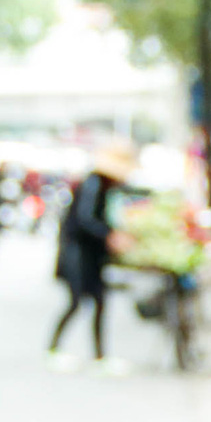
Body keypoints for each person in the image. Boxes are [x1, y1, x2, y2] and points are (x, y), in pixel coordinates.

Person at [48, 142, 136, 371]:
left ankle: (98, 355)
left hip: (92, 255)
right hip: (78, 253)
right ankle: (54, 349)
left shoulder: (104, 188)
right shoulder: (93, 184)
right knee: (76, 302)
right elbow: (85, 220)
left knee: (98, 302)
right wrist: (109, 236)